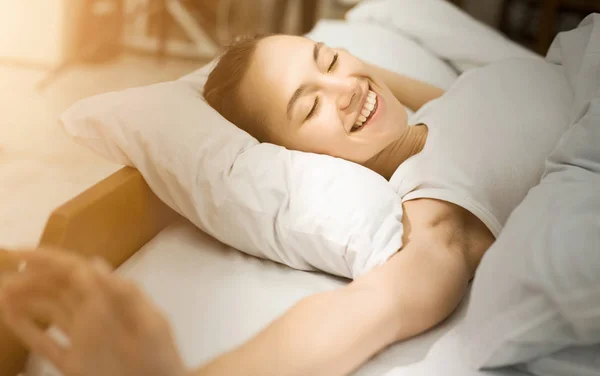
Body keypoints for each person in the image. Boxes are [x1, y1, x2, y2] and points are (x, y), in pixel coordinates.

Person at [0, 32, 569, 376]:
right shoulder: (437, 200)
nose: (344, 88)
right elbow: (380, 301)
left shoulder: (433, 111)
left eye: (326, 60)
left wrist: (319, 64)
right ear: (299, 157)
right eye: (307, 108)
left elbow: (360, 76)